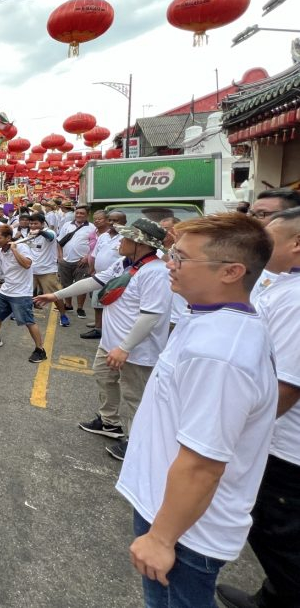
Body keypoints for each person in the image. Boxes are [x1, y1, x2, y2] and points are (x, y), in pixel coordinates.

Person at [116, 213, 276, 608]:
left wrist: (161, 537)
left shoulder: (221, 354)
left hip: (186, 530)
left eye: (182, 258)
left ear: (231, 272)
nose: (170, 263)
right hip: (170, 511)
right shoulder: (206, 317)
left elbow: (204, 463)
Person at [217, 207, 300, 608]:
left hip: (284, 446)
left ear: (296, 245)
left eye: (270, 237)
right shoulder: (283, 285)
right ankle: (272, 595)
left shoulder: (298, 299)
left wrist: (238, 434)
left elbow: (285, 385)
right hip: (272, 439)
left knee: (279, 536)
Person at [37, 218, 172, 461]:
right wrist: (56, 295)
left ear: (139, 243)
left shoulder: (156, 273)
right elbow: (94, 281)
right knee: (104, 378)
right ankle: (110, 422)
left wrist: (124, 348)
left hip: (135, 350)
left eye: (126, 238)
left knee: (134, 396)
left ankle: (136, 441)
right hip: (112, 344)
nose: (120, 241)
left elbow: (151, 317)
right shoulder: (125, 263)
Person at [0, 224, 47, 363]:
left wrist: (14, 250)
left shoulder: (22, 247)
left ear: (8, 238)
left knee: (28, 321)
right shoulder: (0, 252)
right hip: (6, 290)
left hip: (21, 293)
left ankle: (40, 350)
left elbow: (27, 264)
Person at [82, 210, 127, 339]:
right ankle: (98, 327)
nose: (112, 223)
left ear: (124, 222)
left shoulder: (125, 238)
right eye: (110, 220)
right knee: (97, 303)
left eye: (116, 220)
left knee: (113, 305)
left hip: (117, 278)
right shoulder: (103, 236)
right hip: (100, 275)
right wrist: (92, 270)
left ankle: (109, 329)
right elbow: (95, 254)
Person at [25, 213, 71, 327]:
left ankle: (63, 315)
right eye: (31, 223)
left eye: (36, 223)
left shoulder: (50, 232)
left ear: (42, 223)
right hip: (31, 270)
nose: (33, 226)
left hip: (47, 271)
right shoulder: (29, 233)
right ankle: (23, 313)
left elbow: (49, 237)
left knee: (55, 295)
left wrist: (40, 232)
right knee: (25, 293)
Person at [57, 204, 92, 318]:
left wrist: (87, 257)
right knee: (66, 285)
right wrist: (60, 257)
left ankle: (80, 308)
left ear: (87, 215)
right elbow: (59, 242)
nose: (79, 215)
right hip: (65, 261)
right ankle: (68, 305)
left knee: (81, 286)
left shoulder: (92, 228)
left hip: (82, 262)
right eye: (77, 213)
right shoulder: (67, 225)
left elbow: (95, 246)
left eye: (82, 213)